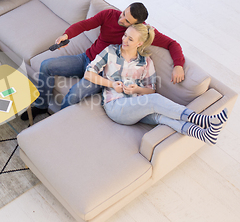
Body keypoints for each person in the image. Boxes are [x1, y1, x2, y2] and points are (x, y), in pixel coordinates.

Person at [21, 2, 185, 120]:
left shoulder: (139, 34)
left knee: (73, 95)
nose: (121, 20)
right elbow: (86, 24)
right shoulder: (110, 15)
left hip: (102, 74)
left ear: (137, 24)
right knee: (46, 65)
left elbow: (172, 43)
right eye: (123, 14)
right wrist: (67, 35)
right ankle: (41, 106)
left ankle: (55, 123)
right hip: (86, 58)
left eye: (127, 21)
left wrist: (178, 65)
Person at [83, 23, 228, 145]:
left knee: (162, 117)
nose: (124, 40)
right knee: (155, 101)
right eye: (125, 35)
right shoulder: (110, 51)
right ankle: (204, 120)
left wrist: (137, 89)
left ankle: (203, 134)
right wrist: (112, 84)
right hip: (115, 107)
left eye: (130, 39)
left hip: (136, 108)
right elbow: (88, 73)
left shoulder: (146, 62)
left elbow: (150, 91)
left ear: (139, 43)